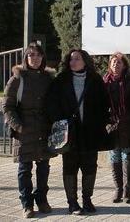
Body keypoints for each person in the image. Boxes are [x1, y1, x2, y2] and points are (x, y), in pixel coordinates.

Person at [46, 49, 109, 215]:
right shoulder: (61, 80)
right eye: (71, 59)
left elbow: (104, 104)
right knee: (70, 168)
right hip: (69, 132)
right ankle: (72, 203)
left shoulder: (95, 79)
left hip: (90, 132)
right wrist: (60, 120)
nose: (73, 62)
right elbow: (51, 103)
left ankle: (87, 200)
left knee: (89, 168)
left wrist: (100, 124)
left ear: (85, 61)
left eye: (77, 59)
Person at [3, 43, 56, 218]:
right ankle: (27, 204)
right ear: (26, 58)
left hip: (43, 129)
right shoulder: (17, 79)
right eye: (31, 55)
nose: (35, 58)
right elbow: (8, 107)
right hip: (24, 130)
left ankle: (42, 200)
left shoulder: (48, 79)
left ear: (43, 58)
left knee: (43, 168)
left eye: (38, 55)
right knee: (24, 169)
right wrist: (18, 126)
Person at [103, 52, 130, 204]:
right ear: (110, 65)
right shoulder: (105, 82)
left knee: (127, 156)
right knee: (114, 157)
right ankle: (118, 188)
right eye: (113, 62)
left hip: (128, 124)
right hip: (112, 126)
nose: (116, 65)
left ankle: (127, 189)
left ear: (124, 65)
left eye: (119, 62)